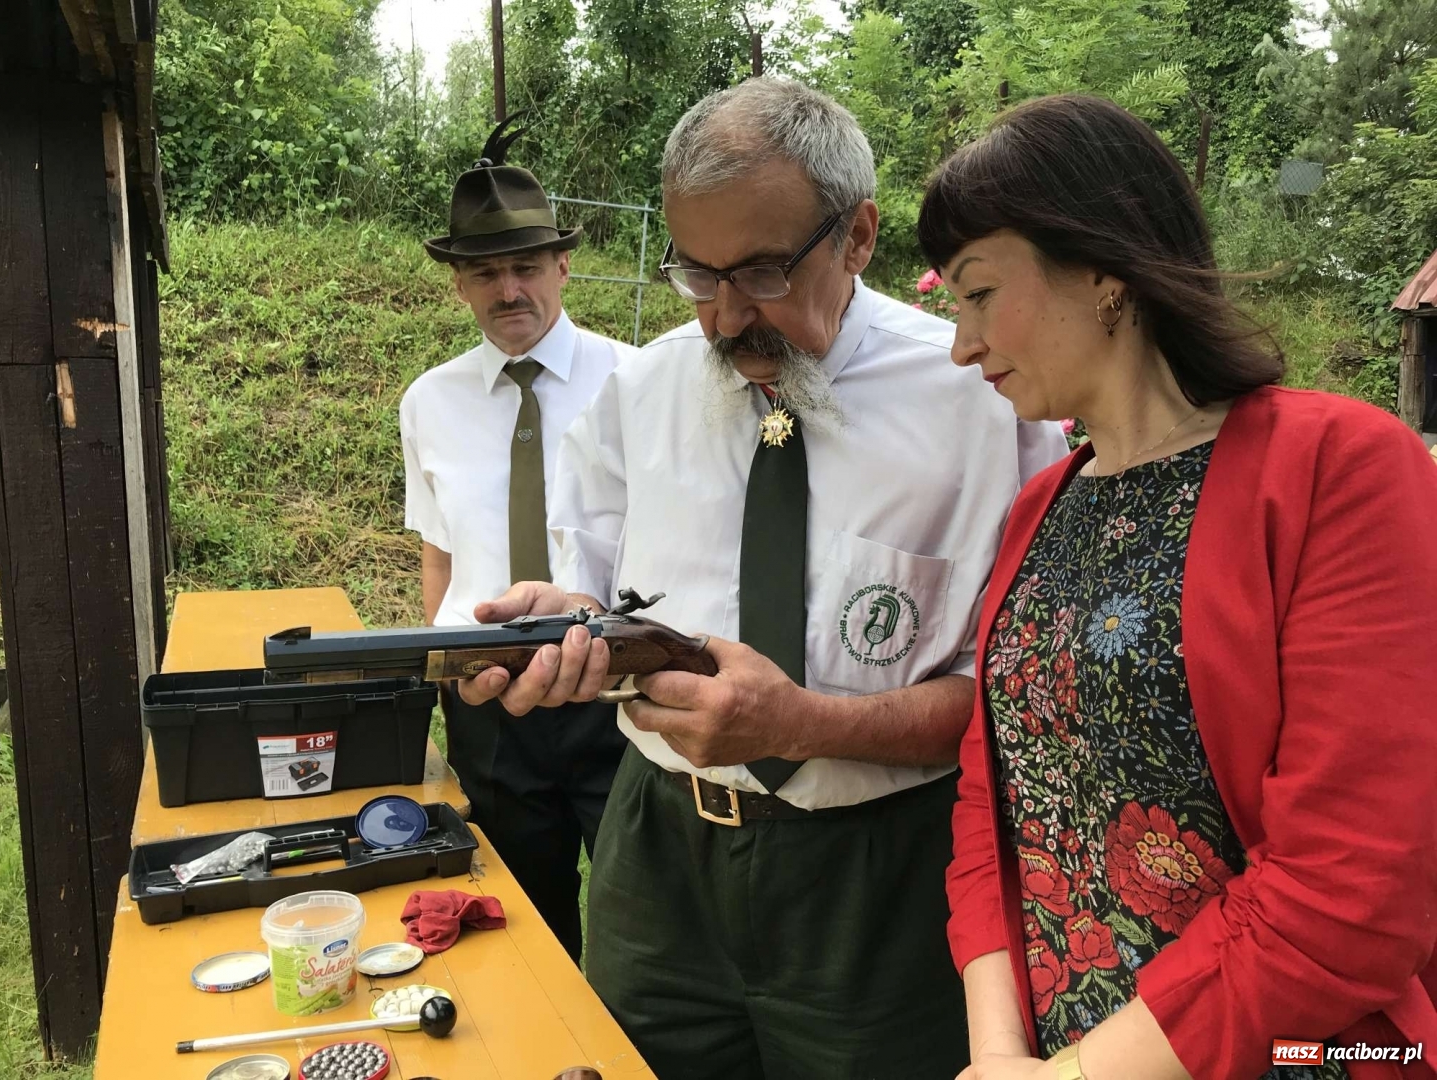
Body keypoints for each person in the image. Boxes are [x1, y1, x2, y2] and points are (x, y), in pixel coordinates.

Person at [455, 77, 1068, 1080]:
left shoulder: (987, 402)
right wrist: (566, 623)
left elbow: (1027, 702)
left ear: (860, 236)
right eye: (698, 275)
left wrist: (800, 724)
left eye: (764, 271)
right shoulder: (639, 394)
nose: (727, 315)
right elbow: (601, 598)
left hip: (880, 880)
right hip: (657, 860)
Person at [916, 94, 1437, 1080]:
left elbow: (1350, 893)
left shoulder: (1339, 469)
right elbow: (996, 806)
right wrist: (998, 1053)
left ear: (1104, 269)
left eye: (980, 294)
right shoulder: (1041, 508)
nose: (961, 343)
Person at [400, 122, 635, 964]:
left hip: (615, 694)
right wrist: (446, 679)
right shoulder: (428, 402)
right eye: (485, 271)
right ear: (459, 283)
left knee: (639, 923)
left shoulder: (635, 384)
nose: (509, 290)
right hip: (489, 700)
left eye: (527, 267)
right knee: (517, 927)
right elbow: (440, 553)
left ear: (564, 265)